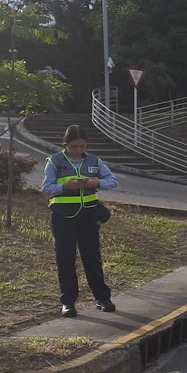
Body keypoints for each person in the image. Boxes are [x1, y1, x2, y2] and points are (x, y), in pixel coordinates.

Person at [42, 125, 119, 317]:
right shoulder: (54, 161)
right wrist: (64, 186)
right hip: (63, 216)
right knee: (65, 259)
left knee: (92, 257)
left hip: (88, 215)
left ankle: (103, 298)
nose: (78, 151)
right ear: (66, 144)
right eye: (74, 147)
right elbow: (46, 188)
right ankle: (68, 302)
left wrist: (97, 182)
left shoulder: (94, 161)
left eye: (82, 146)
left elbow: (113, 180)